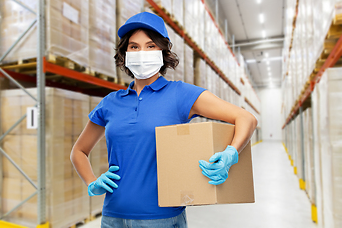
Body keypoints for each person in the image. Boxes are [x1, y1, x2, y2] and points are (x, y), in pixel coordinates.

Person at [70, 12, 257, 228]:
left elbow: (246, 118)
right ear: (124, 54)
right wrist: (92, 182)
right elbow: (79, 151)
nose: (142, 52)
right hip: (113, 218)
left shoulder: (180, 94)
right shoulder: (111, 103)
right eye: (134, 46)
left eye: (150, 46)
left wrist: (231, 153)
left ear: (163, 52)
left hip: (162, 219)